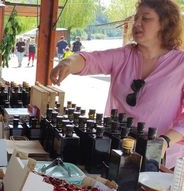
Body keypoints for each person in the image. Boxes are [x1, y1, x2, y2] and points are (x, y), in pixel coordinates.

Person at [50, 0, 184, 168]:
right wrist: (68, 63)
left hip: (157, 159)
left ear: (165, 24)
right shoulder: (124, 55)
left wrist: (165, 141)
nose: (137, 23)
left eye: (146, 18)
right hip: (116, 150)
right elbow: (91, 59)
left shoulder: (180, 64)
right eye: (136, 18)